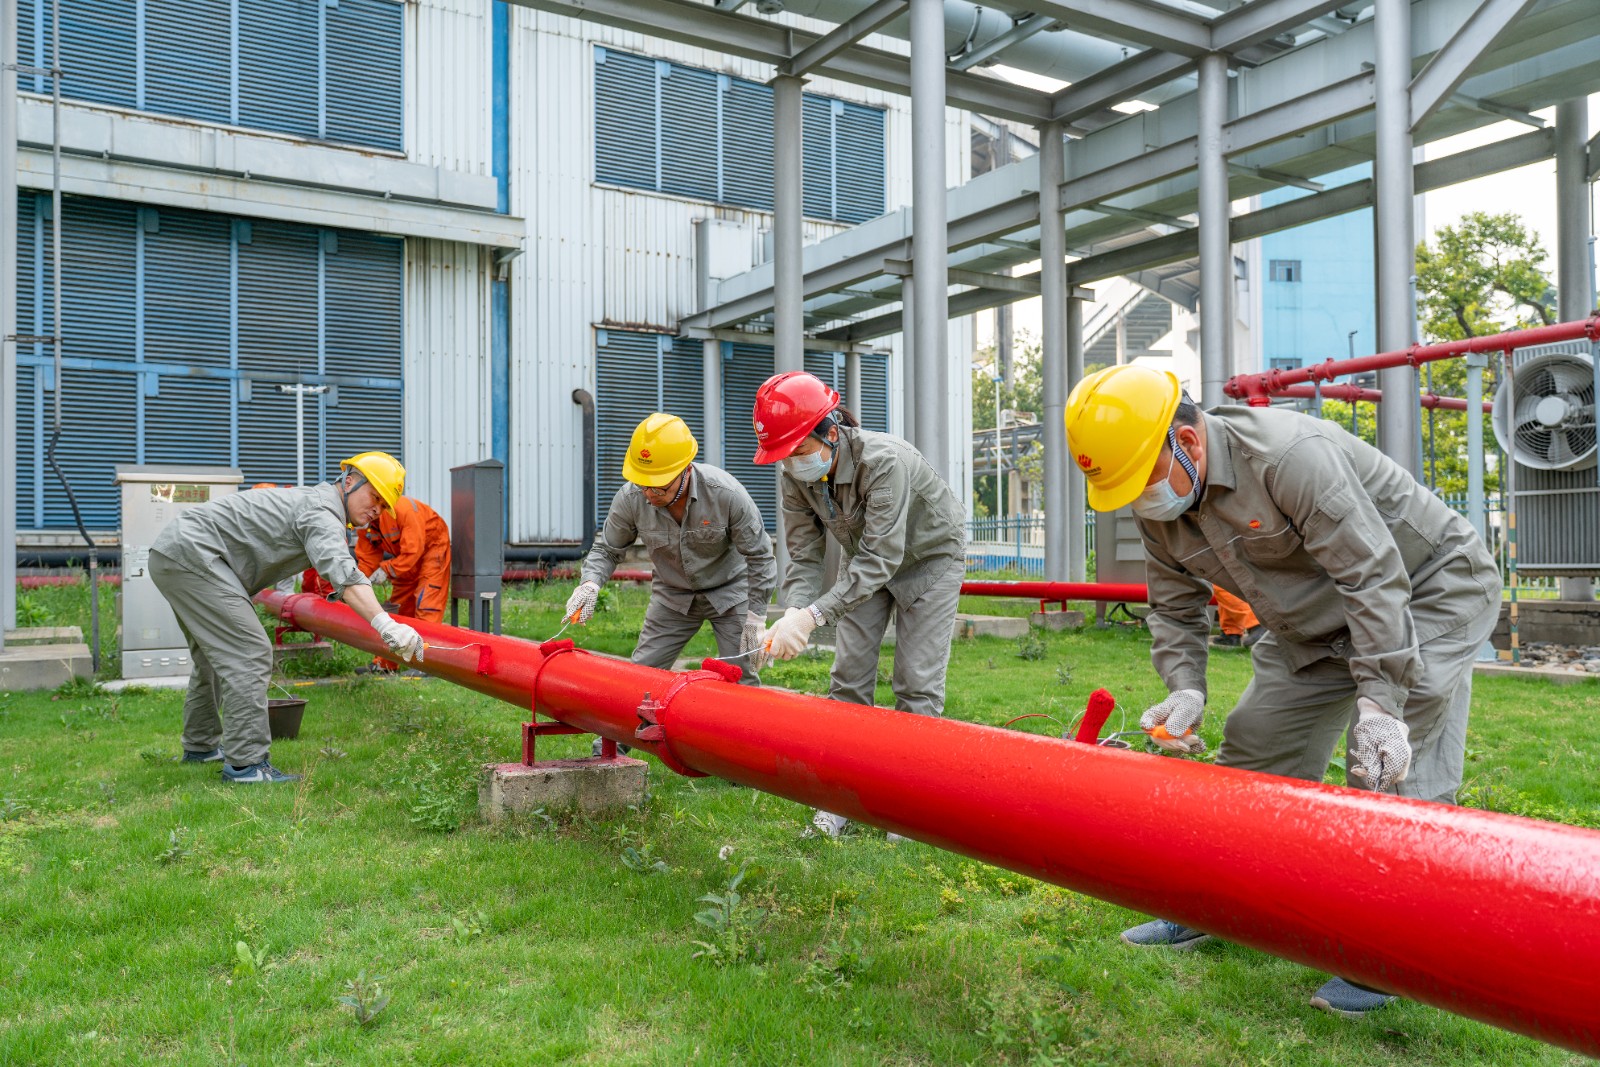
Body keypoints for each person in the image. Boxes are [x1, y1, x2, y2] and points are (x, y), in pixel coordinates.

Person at [1064, 364, 1499, 1018]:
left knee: (1391, 766)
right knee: (1254, 746)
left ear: (1190, 439)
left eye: (1145, 477)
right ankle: (1220, 907)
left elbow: (1374, 576)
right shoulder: (1163, 507)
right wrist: (1186, 687)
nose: (1141, 497)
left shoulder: (1290, 458)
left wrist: (1379, 701)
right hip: (1315, 621)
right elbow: (1176, 610)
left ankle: (1393, 950)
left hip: (1428, 589)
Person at [752, 371, 966, 838]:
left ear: (831, 433)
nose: (791, 466)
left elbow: (882, 557)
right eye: (784, 458)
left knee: (916, 681)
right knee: (847, 677)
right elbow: (804, 554)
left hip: (929, 560)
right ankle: (839, 797)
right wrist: (794, 609)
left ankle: (907, 804)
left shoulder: (884, 461)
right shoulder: (795, 472)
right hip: (865, 562)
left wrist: (816, 615)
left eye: (799, 453)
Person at [150, 452, 426, 783]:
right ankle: (247, 765)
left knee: (213, 657)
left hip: (177, 553)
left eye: (383, 507)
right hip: (194, 555)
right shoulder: (322, 511)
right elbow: (344, 574)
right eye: (375, 498)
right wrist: (386, 625)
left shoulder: (315, 505)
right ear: (350, 482)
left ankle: (201, 747)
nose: (376, 511)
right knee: (249, 651)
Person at [567, 414, 775, 726]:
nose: (649, 495)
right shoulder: (631, 497)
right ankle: (609, 755)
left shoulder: (726, 495)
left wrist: (756, 617)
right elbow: (608, 549)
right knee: (640, 677)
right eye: (643, 484)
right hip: (673, 597)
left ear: (685, 470)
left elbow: (761, 556)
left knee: (742, 677)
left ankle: (746, 765)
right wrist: (590, 584)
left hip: (730, 593)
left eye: (659, 487)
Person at [352, 494, 452, 674]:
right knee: (398, 610)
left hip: (432, 550)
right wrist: (356, 584)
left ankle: (426, 665)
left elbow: (413, 550)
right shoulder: (367, 525)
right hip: (405, 559)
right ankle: (386, 665)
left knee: (427, 604)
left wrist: (386, 570)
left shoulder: (403, 510)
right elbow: (366, 561)